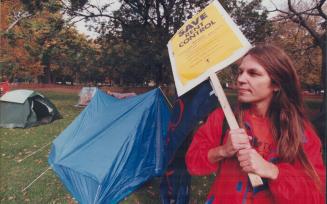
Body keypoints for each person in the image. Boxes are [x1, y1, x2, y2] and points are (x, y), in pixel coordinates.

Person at [185, 44, 326, 204]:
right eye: (241, 72)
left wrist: (273, 171)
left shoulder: (300, 132)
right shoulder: (223, 118)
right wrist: (223, 150)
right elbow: (193, 164)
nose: (240, 79)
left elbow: (315, 196)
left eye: (253, 73)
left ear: (276, 84)